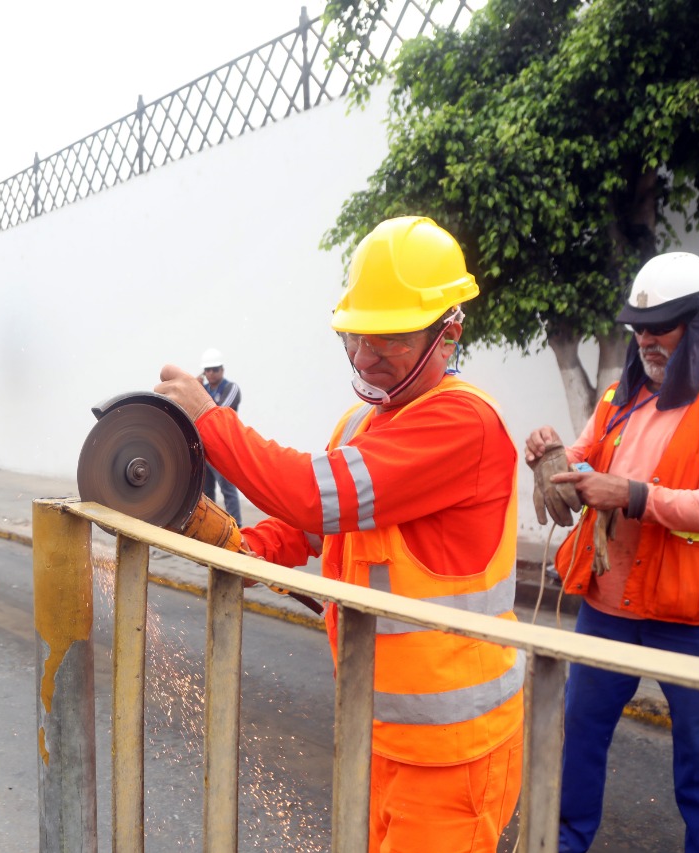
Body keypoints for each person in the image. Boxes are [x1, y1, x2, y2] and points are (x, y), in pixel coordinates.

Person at [156, 216, 524, 852]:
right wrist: (242, 547)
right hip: (377, 729)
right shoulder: (363, 422)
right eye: (356, 337)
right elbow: (311, 525)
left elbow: (313, 493)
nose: (364, 357)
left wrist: (211, 423)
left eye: (390, 340)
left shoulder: (464, 423)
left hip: (454, 748)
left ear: (449, 333)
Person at [525, 252, 699, 853]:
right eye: (638, 328)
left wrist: (633, 495)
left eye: (659, 327)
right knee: (578, 735)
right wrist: (551, 453)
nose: (645, 340)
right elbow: (585, 455)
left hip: (693, 616)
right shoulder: (619, 396)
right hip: (609, 605)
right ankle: (561, 843)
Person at [198, 348, 243, 525]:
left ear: (222, 370)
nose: (211, 373)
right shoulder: (203, 389)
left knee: (228, 489)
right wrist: (196, 388)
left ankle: (237, 526)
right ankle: (210, 527)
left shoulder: (231, 388)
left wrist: (197, 393)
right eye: (207, 370)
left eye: (215, 369)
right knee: (206, 492)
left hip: (223, 447)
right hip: (205, 448)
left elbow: (219, 412)